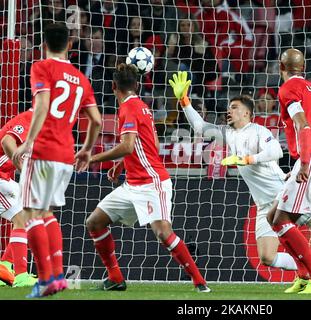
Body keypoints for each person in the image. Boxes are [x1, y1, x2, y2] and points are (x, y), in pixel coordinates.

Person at [169, 71, 311, 294]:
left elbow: (276, 151)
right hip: (262, 204)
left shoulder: (259, 131)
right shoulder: (227, 133)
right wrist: (184, 101)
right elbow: (200, 127)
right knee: (267, 257)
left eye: (235, 107)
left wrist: (246, 159)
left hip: (280, 192)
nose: (229, 110)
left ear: (248, 113)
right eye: (229, 107)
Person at [86, 64, 211, 293]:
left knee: (163, 232)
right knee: (94, 222)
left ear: (113, 87)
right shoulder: (142, 106)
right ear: (137, 84)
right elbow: (150, 143)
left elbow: (128, 146)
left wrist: (93, 158)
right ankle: (115, 278)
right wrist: (120, 165)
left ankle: (199, 282)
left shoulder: (128, 109)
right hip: (132, 183)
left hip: (152, 182)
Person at [12, 23, 102, 298]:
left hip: (43, 150)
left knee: (29, 212)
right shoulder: (80, 78)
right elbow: (97, 120)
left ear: (43, 45)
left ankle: (46, 278)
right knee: (48, 213)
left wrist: (28, 141)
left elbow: (42, 104)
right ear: (70, 45)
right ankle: (58, 276)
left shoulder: (42, 67)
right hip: (67, 154)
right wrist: (87, 149)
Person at [267, 48, 311, 294]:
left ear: (281, 67)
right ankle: (305, 274)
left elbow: (304, 126)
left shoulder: (288, 89)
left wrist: (304, 163)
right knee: (273, 216)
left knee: (282, 220)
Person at [0, 110, 38, 288]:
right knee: (22, 218)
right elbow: (7, 141)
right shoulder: (29, 118)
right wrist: (23, 169)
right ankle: (21, 276)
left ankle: (4, 267)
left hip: (4, 177)